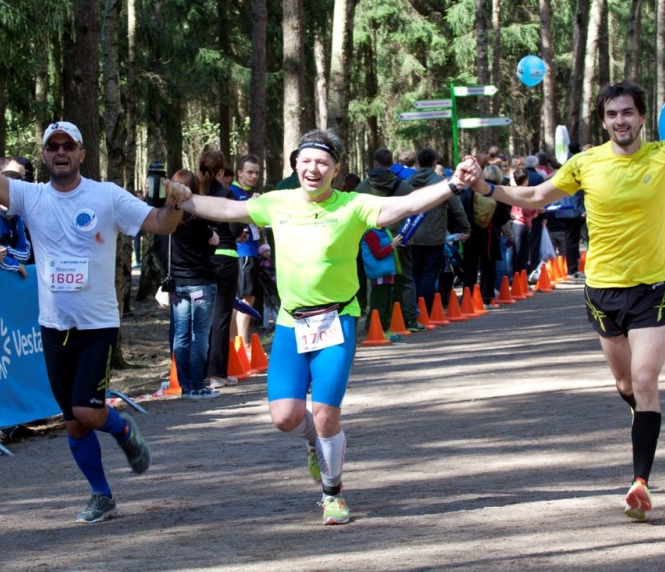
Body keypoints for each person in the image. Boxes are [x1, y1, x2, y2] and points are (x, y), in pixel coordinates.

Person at [179, 128, 481, 525]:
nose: (313, 168)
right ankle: (313, 443)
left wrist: (454, 183)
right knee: (285, 417)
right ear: (296, 166)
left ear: (336, 170)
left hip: (337, 320)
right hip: (291, 324)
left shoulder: (353, 205)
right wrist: (182, 196)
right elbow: (225, 211)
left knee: (325, 414)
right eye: (305, 161)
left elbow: (406, 205)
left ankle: (332, 492)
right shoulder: (277, 203)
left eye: (322, 162)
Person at [472, 79, 665, 520]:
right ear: (604, 120)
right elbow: (536, 196)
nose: (620, 121)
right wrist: (485, 187)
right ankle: (644, 418)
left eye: (627, 112)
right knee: (626, 386)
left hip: (652, 291)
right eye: (612, 114)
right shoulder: (585, 163)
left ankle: (640, 482)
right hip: (602, 292)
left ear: (642, 116)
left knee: (645, 381)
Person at [0, 74, 191, 524]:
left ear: (81, 154)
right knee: (74, 421)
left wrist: (176, 202)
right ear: (45, 155)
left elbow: (161, 224)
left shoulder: (105, 196)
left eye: (69, 146)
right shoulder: (31, 196)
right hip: (52, 325)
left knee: (89, 409)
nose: (60, 153)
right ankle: (102, 495)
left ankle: (123, 430)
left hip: (97, 324)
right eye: (53, 147)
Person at [155, 169, 221, 399]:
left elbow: (159, 250)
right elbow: (209, 245)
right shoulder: (197, 219)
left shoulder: (165, 220)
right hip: (201, 282)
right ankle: (196, 384)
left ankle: (184, 385)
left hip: (178, 285)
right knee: (200, 335)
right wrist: (214, 240)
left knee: (181, 335)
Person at [355, 148, 423, 332]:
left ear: (375, 163)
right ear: (391, 163)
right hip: (401, 238)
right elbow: (415, 212)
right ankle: (408, 320)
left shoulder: (362, 189)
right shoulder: (404, 186)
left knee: (376, 286)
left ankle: (376, 323)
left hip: (372, 241)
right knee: (405, 280)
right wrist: (408, 237)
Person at [200, 151, 244, 390]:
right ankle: (217, 372)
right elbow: (237, 226)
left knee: (202, 317)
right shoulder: (227, 194)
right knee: (222, 316)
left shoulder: (196, 194)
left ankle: (199, 371)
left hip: (202, 259)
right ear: (220, 171)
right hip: (226, 257)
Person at [409, 147, 470, 314]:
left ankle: (413, 309)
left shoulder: (408, 182)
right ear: (434, 163)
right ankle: (426, 309)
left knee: (415, 274)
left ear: (418, 163)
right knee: (429, 274)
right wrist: (466, 228)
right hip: (435, 236)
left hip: (411, 236)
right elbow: (457, 208)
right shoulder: (442, 183)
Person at [229, 154, 263, 351]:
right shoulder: (232, 192)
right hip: (241, 253)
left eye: (257, 173)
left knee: (248, 297)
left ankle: (238, 343)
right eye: (249, 172)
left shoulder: (251, 193)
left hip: (252, 250)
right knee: (244, 299)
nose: (253, 176)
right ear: (239, 172)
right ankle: (242, 344)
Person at [0, 157, 33, 268]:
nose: (10, 196)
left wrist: (6, 249)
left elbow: (26, 254)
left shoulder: (18, 217)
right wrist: (15, 265)